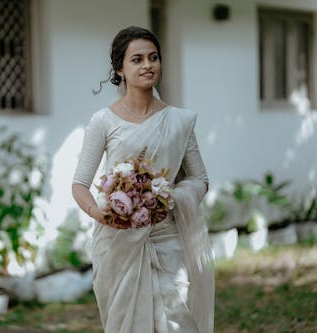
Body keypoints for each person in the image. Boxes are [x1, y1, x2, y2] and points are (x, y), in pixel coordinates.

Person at [72, 26, 214, 333]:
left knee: (177, 322)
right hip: (117, 243)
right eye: (137, 59)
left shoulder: (179, 121)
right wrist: (103, 214)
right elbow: (80, 184)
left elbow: (200, 179)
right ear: (120, 69)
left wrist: (165, 197)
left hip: (167, 239)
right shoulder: (103, 121)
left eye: (153, 57)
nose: (147, 65)